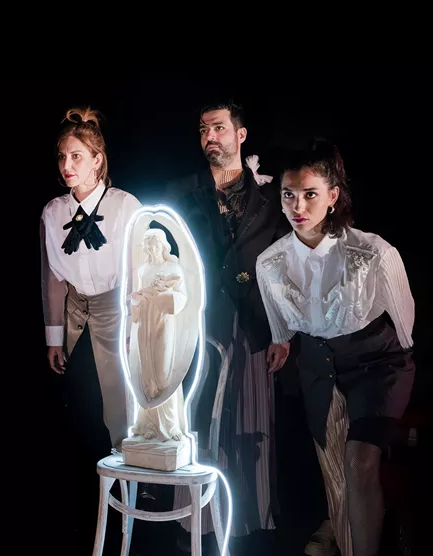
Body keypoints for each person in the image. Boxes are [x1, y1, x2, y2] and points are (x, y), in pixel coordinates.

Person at [256, 142, 415, 556]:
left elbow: (405, 329)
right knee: (334, 468)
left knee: (359, 461)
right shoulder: (270, 263)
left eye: (310, 194)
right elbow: (280, 330)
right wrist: (281, 344)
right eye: (288, 194)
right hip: (318, 365)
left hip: (376, 364)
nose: (298, 206)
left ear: (333, 196)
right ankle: (343, 534)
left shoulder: (373, 252)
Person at [165, 100, 290, 545]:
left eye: (218, 128)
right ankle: (197, 520)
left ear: (240, 134)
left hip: (254, 322)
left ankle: (248, 518)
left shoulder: (271, 197)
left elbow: (283, 268)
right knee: (200, 418)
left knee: (251, 421)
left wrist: (282, 331)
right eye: (203, 130)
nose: (209, 137)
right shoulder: (183, 193)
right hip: (201, 323)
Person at [40, 106, 141, 452]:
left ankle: (128, 477)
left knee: (120, 406)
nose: (66, 165)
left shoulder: (124, 206)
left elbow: (138, 273)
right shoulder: (53, 212)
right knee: (77, 404)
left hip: (116, 315)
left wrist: (135, 330)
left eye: (76, 156)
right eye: (62, 157)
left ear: (97, 160)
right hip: (74, 317)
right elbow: (53, 278)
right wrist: (54, 338)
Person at [128, 228, 189, 442]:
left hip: (164, 321)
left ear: (163, 245)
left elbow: (182, 297)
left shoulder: (173, 267)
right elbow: (137, 297)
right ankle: (149, 425)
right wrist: (136, 300)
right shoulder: (143, 270)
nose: (150, 247)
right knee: (147, 372)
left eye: (153, 243)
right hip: (145, 323)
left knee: (164, 373)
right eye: (147, 244)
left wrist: (165, 293)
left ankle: (170, 425)